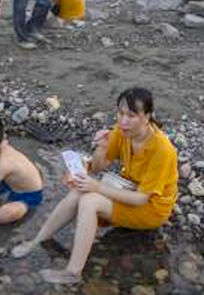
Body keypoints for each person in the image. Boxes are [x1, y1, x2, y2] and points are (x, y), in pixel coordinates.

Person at [11, 88, 178, 285]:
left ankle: (73, 272)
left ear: (147, 117)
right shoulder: (122, 131)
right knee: (79, 191)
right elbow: (99, 167)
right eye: (120, 113)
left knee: (90, 200)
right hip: (129, 189)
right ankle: (37, 239)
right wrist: (102, 146)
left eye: (131, 116)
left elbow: (142, 198)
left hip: (151, 209)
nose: (123, 121)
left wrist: (97, 188)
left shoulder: (162, 150)